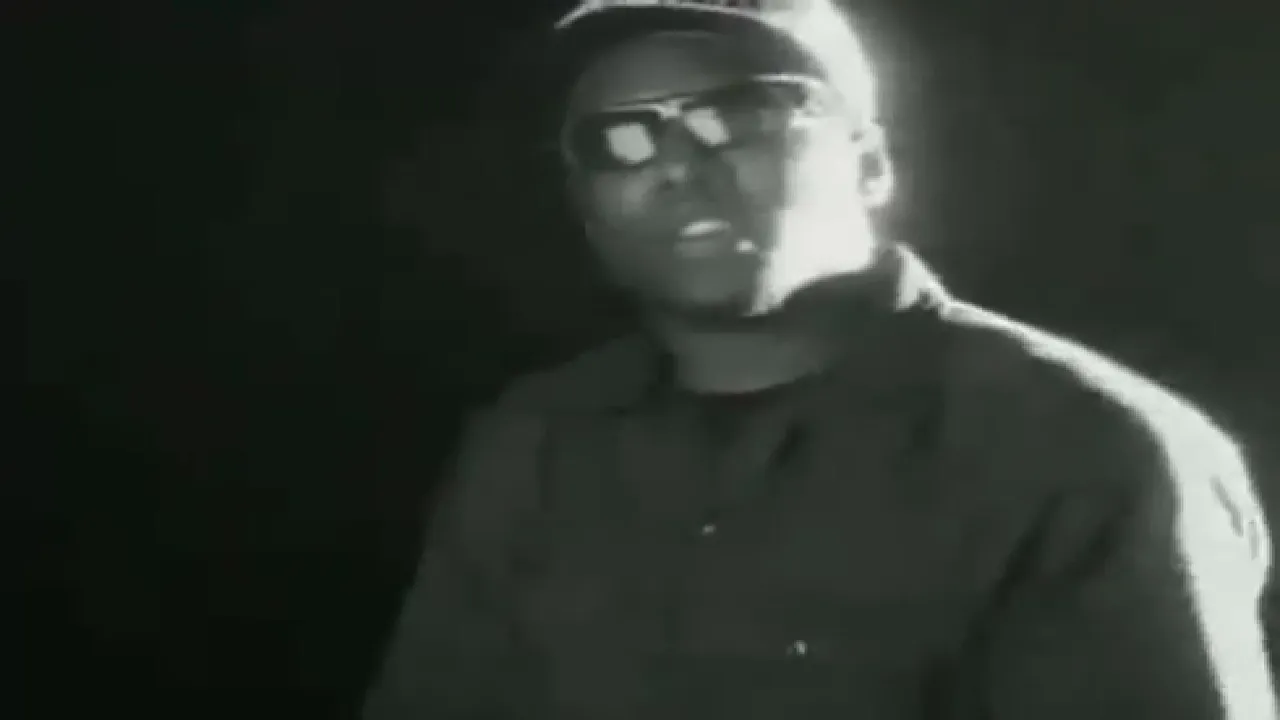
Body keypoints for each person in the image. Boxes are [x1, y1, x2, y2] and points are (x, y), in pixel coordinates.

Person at [362, 1, 1277, 717]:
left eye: (736, 118)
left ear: (871, 163)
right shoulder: (535, 445)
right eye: (621, 139)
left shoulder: (1084, 453)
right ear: (584, 202)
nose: (675, 165)